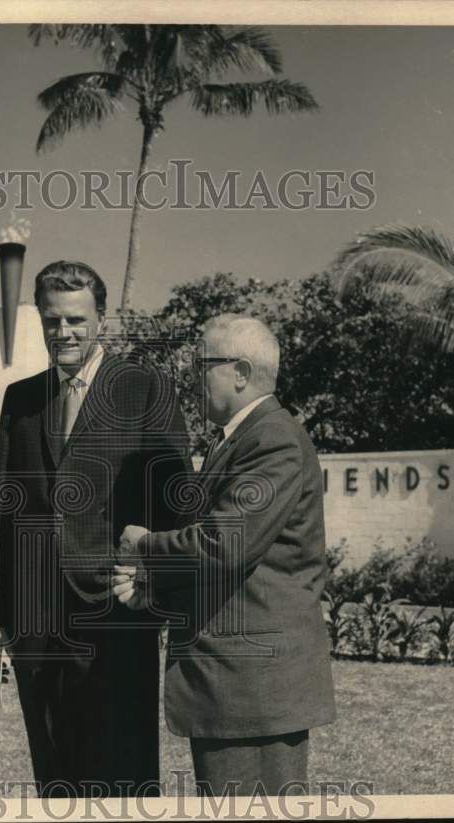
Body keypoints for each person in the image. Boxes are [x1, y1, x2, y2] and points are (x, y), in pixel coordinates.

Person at [0, 261, 191, 798]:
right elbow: (2, 511)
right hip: (35, 626)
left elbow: (176, 501)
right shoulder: (20, 400)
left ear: (102, 318)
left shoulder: (144, 388)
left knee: (122, 775)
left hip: (115, 619)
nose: (63, 332)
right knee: (55, 775)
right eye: (52, 321)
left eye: (75, 319)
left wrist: (155, 586)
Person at [113, 314, 336, 797]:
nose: (194, 377)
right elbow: (242, 565)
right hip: (237, 687)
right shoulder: (238, 439)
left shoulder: (271, 437)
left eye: (201, 364)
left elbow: (223, 544)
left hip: (252, 691)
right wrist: (156, 589)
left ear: (239, 371)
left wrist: (145, 547)